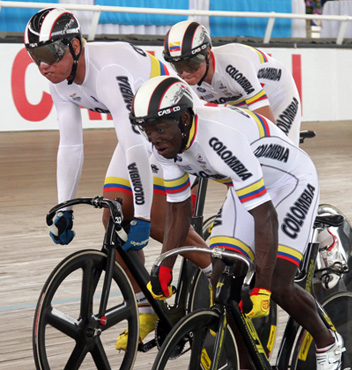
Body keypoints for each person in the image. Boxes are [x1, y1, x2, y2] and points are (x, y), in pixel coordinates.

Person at [24, 8, 212, 351]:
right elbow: (70, 145)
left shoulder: (107, 71)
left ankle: (220, 273)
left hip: (178, 126)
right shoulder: (60, 81)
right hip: (144, 127)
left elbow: (135, 144)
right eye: (35, 56)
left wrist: (140, 214)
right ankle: (146, 308)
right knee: (113, 216)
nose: (43, 65)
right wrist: (64, 207)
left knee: (153, 220)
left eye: (50, 54)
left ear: (76, 47)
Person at [129, 75, 346, 370]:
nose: (154, 138)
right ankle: (248, 364)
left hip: (290, 183)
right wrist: (164, 264)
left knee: (280, 284)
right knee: (222, 279)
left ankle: (327, 341)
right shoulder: (166, 145)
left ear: (183, 119)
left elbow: (264, 216)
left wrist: (264, 288)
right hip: (248, 186)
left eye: (160, 128)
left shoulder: (219, 140)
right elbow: (179, 210)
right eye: (147, 130)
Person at [163, 20, 301, 146]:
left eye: (191, 64)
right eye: (179, 66)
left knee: (279, 147)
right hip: (239, 100)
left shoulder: (234, 64)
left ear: (208, 54)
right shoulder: (181, 79)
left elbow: (267, 125)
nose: (186, 73)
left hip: (277, 95)